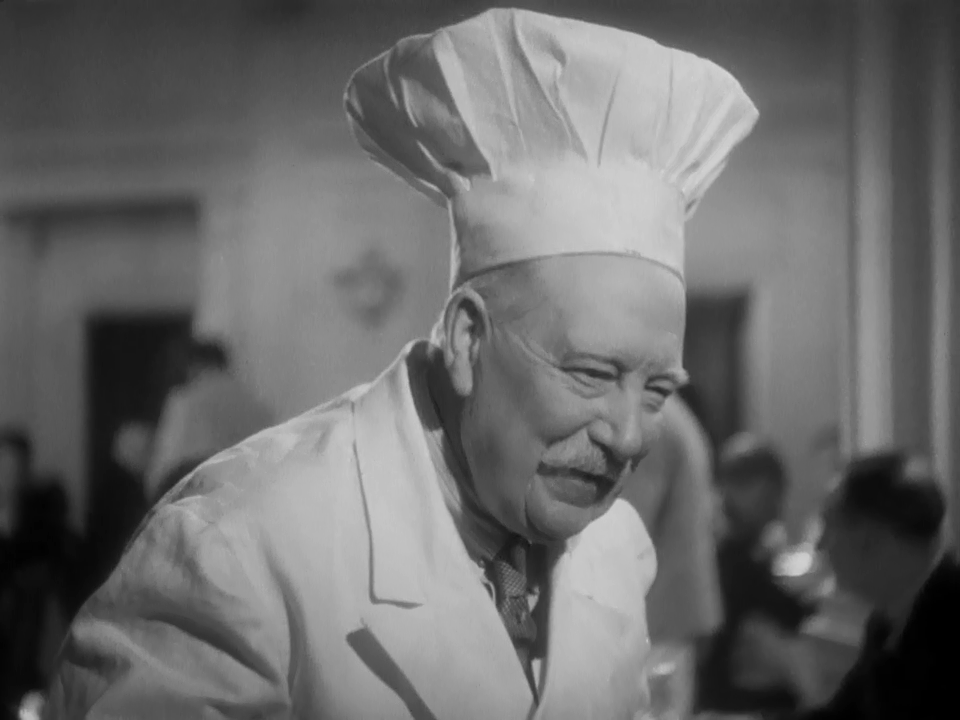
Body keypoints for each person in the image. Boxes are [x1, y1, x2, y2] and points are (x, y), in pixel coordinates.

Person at [43, 8, 758, 718]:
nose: (628, 436)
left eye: (657, 390)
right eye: (592, 375)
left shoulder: (617, 552)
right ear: (468, 341)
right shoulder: (238, 550)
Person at [786, 450, 959, 720]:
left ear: (870, 536)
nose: (819, 545)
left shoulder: (949, 623)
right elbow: (844, 715)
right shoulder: (886, 620)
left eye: (829, 526)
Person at [697, 433, 821, 717]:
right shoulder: (722, 552)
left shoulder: (744, 546)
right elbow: (777, 609)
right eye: (771, 495)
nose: (777, 508)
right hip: (728, 702)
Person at [622, 394, 723, 717]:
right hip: (665, 627)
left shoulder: (642, 415)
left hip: (653, 632)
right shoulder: (665, 411)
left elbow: (621, 532)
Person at [143, 336, 274, 502]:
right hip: (248, 493)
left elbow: (163, 469)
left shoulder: (185, 400)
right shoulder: (258, 406)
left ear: (195, 365)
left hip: (198, 493)